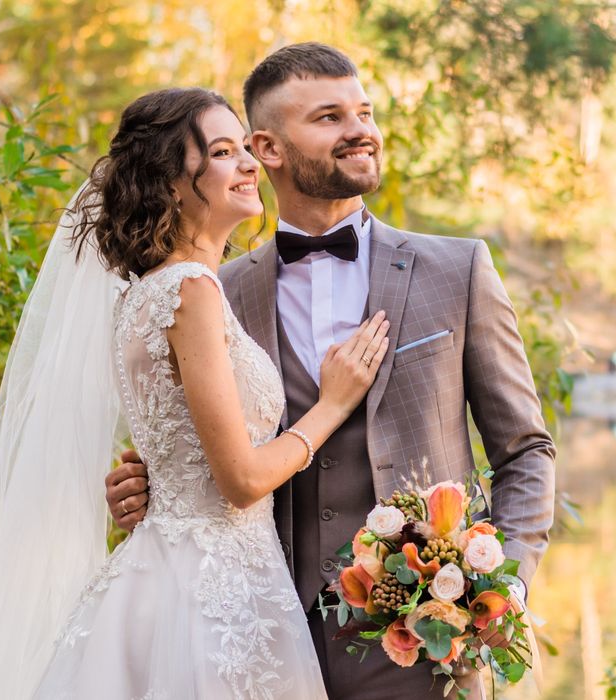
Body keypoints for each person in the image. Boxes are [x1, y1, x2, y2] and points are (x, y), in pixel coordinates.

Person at [104, 43, 557, 699]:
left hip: (422, 642)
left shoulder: (455, 272)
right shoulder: (208, 290)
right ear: (268, 148)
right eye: (329, 117)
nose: (360, 131)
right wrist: (145, 483)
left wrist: (501, 585)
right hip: (254, 629)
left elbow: (525, 449)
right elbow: (199, 445)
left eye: (363, 112)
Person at [0, 88, 389, 698]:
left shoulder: (144, 296)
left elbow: (177, 449)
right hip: (213, 595)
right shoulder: (191, 293)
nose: (250, 165)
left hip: (169, 573)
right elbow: (239, 480)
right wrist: (332, 405)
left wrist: (147, 478)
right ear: (174, 184)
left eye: (244, 149)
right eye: (225, 152)